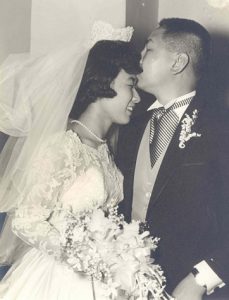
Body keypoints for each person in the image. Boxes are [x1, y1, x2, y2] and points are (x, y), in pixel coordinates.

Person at [0, 37, 142, 300]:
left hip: (103, 277)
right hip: (59, 279)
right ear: (104, 83)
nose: (137, 97)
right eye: (131, 85)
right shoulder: (62, 148)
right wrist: (86, 257)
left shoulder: (103, 149)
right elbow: (26, 221)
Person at [116, 18, 229, 300]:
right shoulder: (130, 126)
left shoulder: (220, 126)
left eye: (148, 50)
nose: (138, 59)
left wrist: (202, 279)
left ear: (178, 62)